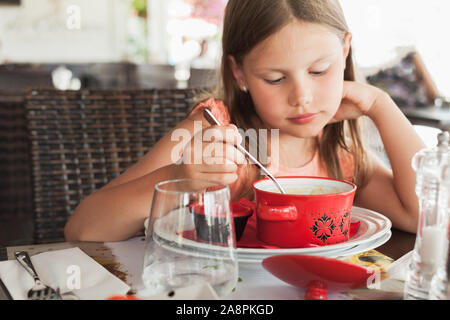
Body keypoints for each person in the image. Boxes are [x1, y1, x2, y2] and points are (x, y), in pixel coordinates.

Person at [64, 0, 424, 242]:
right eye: (275, 79)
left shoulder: (339, 154)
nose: (302, 96)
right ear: (239, 73)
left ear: (344, 52)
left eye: (319, 70)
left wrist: (381, 104)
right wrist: (179, 179)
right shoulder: (213, 134)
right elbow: (83, 230)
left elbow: (422, 214)